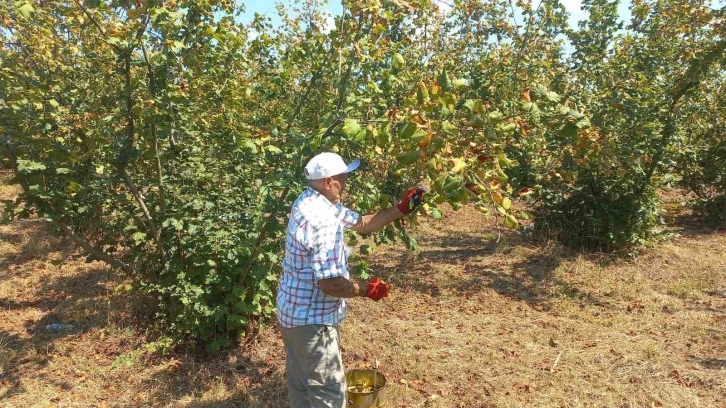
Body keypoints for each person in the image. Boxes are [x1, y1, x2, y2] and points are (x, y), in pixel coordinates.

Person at [276, 152, 425, 408]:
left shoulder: (312, 201)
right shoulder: (322, 220)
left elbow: (364, 223)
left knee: (302, 389)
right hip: (312, 324)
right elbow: (330, 284)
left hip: (292, 315)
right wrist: (368, 289)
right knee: (330, 397)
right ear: (329, 181)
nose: (346, 185)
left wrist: (401, 208)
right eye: (343, 179)